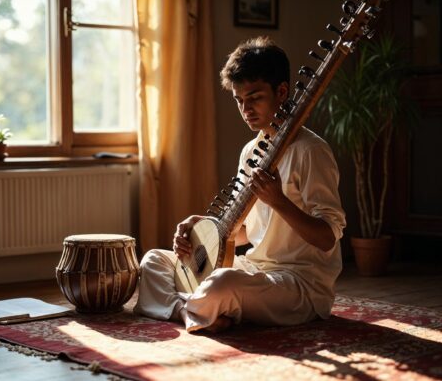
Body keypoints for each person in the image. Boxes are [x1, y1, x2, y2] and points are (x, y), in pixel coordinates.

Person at [133, 36, 346, 333]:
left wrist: (279, 201)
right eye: (239, 100)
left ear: (281, 92)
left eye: (255, 97)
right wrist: (201, 228)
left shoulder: (311, 151)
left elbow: (327, 238)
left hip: (299, 284)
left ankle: (191, 307)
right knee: (153, 261)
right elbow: (244, 233)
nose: (246, 109)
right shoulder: (251, 152)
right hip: (254, 270)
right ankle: (192, 312)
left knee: (222, 283)